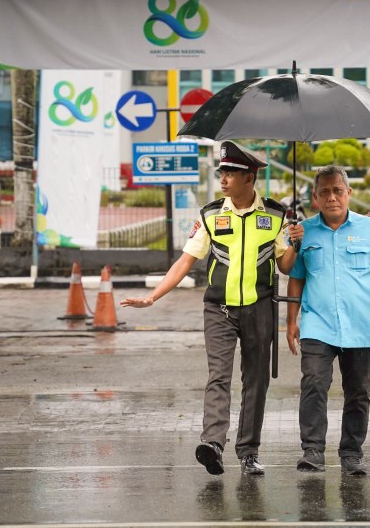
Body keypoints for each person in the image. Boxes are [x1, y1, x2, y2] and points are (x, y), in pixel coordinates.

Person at [121, 141, 303, 476]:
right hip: (218, 309)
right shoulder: (211, 214)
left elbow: (287, 266)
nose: (223, 178)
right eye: (222, 171)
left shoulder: (275, 216)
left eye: (231, 173)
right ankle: (213, 444)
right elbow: (184, 261)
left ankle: (248, 452)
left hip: (259, 308)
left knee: (256, 380)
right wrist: (153, 297)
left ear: (250, 178)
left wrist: (295, 242)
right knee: (218, 376)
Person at [286, 164, 370, 476]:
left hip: (361, 325)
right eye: (324, 192)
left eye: (338, 190)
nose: (332, 197)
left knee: (358, 391)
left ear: (348, 193)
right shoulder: (303, 232)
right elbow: (295, 277)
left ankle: (351, 453)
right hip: (316, 324)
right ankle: (312, 452)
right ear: (315, 197)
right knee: (313, 383)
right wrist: (290, 320)